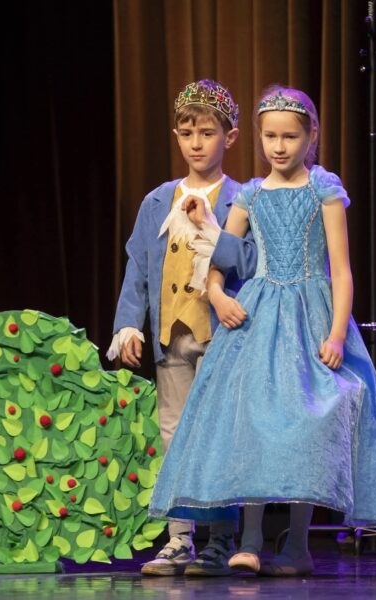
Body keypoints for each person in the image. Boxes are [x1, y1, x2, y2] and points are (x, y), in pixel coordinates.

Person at [148, 85, 376, 576]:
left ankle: (296, 546)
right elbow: (222, 256)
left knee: (306, 425)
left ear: (310, 136)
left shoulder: (323, 190)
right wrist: (217, 293)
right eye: (270, 136)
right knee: (251, 420)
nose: (278, 146)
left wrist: (336, 334)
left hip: (310, 314)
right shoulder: (250, 194)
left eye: (289, 137)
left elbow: (341, 271)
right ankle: (249, 542)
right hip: (258, 315)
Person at [108, 79, 256, 577]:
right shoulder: (157, 201)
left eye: (207, 133)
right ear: (176, 136)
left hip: (221, 337)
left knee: (220, 435)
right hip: (171, 339)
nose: (197, 143)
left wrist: (214, 227)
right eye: (188, 133)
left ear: (229, 138)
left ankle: (221, 539)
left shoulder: (241, 200)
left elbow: (249, 264)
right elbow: (138, 266)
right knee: (173, 434)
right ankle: (179, 539)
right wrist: (128, 326)